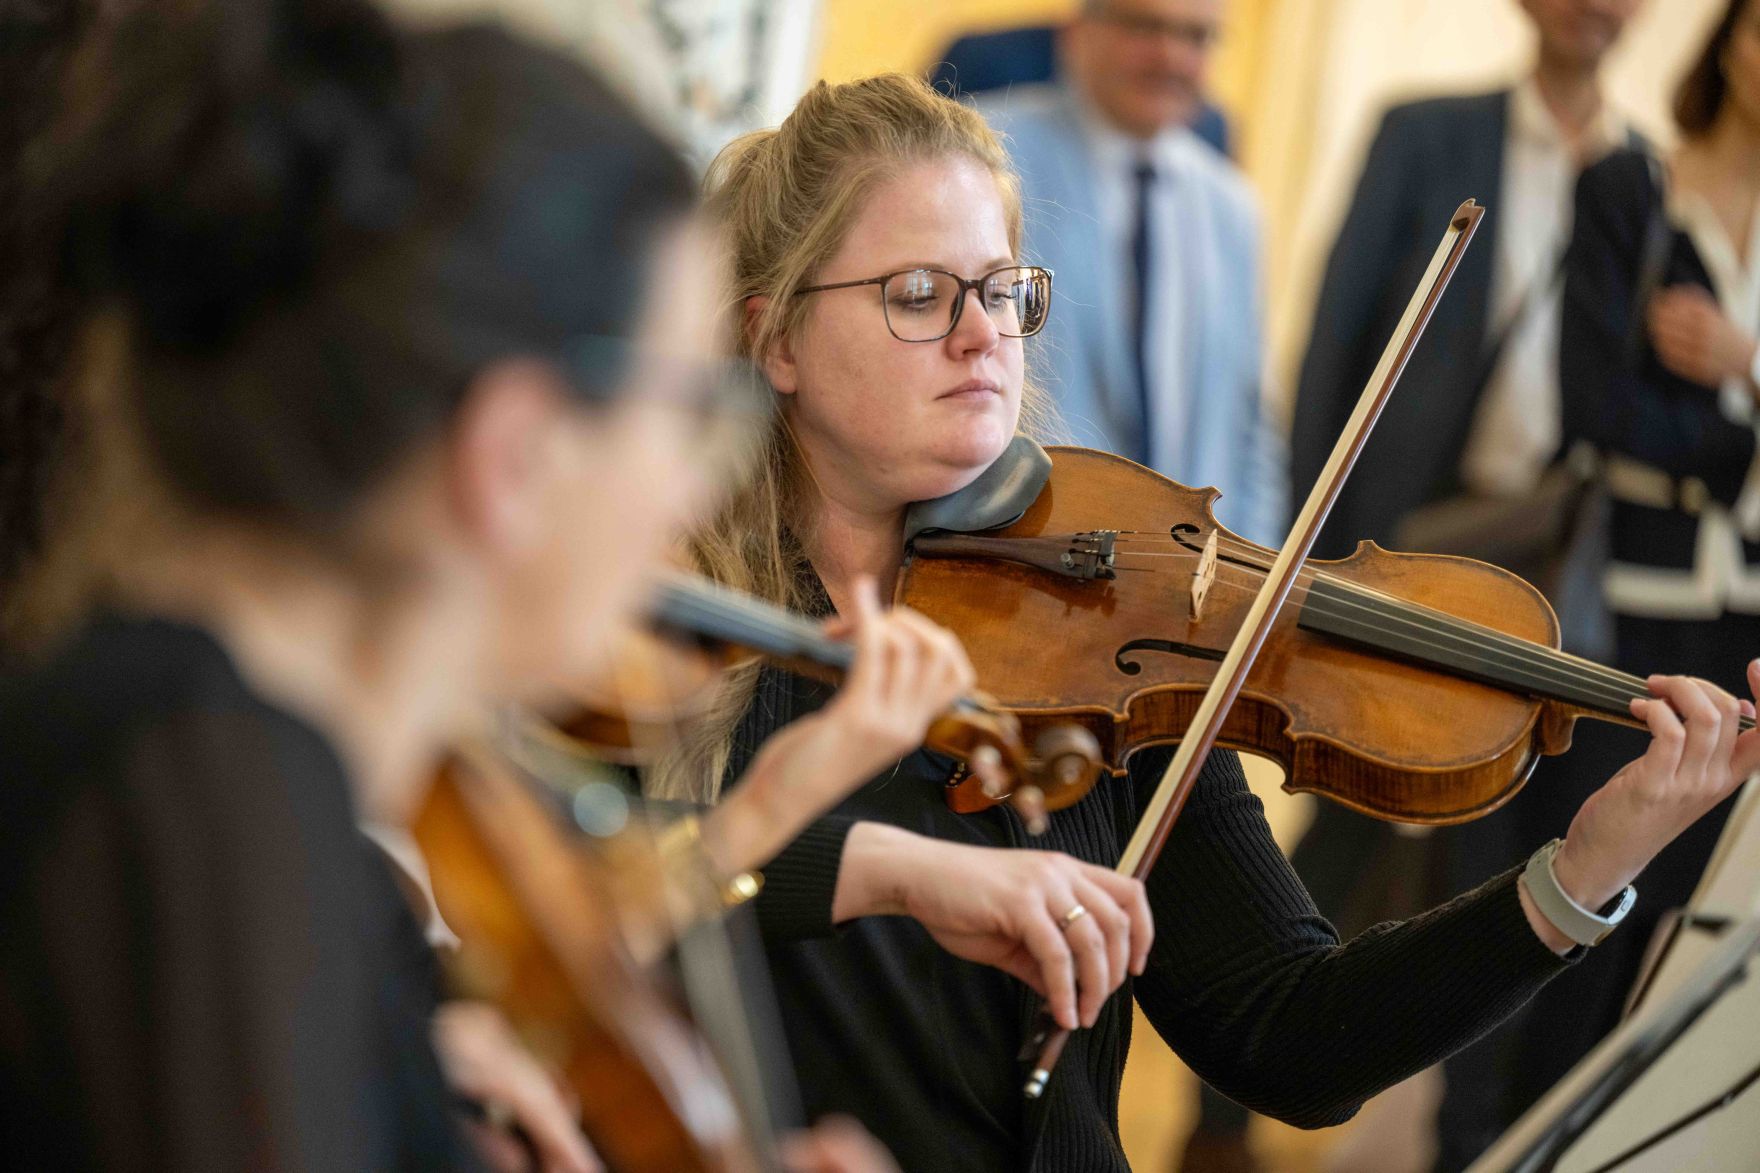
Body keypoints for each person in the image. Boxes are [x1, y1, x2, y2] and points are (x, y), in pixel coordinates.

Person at [666, 70, 1760, 1173]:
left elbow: (1292, 1038)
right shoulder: (671, 633)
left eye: (1001, 290)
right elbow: (609, 884)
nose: (980, 336)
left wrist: (1576, 875)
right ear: (777, 341)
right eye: (917, 293)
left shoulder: (1104, 622)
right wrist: (890, 867)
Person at [0, 3, 970, 1169]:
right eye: (686, 415)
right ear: (514, 454)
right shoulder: (198, 797)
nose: (686, 496)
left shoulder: (256, 773)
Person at [1285, 4, 1642, 1162]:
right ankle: (1220, 1103)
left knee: (1495, 836)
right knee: (1346, 810)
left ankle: (1450, 1125)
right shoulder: (1426, 131)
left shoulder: (1640, 171)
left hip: (1555, 551)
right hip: (1415, 536)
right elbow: (1338, 332)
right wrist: (1313, 536)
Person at [1539, 0, 1760, 1142]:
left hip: (1751, 615)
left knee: (1699, 918)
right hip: (1630, 595)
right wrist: (1735, 441)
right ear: (1726, 37)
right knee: (1597, 879)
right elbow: (1594, 409)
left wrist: (1742, 366)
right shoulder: (1628, 187)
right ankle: (1524, 1140)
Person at [974, 0, 1284, 547]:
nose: (1170, 56)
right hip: (1022, 550)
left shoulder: (1233, 205)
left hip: (1185, 575)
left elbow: (1249, 424)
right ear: (1076, 33)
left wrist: (1254, 568)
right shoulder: (986, 155)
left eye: (1196, 37)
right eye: (1144, 26)